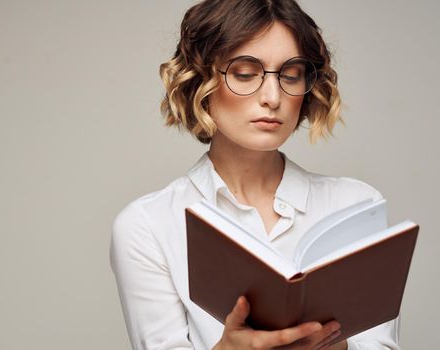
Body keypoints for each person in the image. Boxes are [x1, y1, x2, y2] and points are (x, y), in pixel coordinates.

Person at [110, 0, 401, 349]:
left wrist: (335, 346)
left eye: (291, 75)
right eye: (245, 73)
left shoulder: (355, 206)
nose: (272, 97)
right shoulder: (148, 225)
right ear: (200, 81)